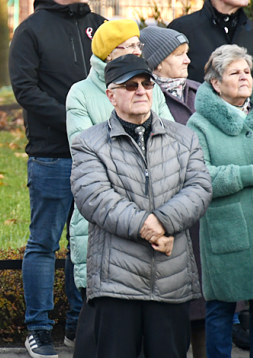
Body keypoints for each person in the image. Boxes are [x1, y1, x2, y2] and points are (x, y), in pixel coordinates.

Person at [71, 54, 212, 358]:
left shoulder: (184, 138)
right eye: (130, 85)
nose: (141, 91)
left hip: (171, 279)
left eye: (147, 84)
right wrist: (148, 229)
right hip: (116, 284)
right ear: (111, 95)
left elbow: (199, 189)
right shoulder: (89, 143)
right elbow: (94, 197)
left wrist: (160, 223)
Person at [9, 0, 102, 357]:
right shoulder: (30, 31)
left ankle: (79, 324)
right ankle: (38, 328)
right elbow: (25, 91)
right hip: (51, 155)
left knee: (88, 243)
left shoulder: (100, 28)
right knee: (44, 243)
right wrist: (74, 119)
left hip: (100, 154)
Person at [65, 19, 173, 357]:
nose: (137, 52)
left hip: (157, 213)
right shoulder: (81, 94)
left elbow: (173, 145)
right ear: (108, 54)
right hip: (105, 222)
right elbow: (85, 153)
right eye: (128, 47)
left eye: (138, 46)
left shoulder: (149, 88)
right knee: (102, 329)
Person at [187, 45, 253, 358]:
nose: (244, 78)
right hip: (228, 232)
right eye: (235, 72)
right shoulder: (199, 125)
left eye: (247, 72)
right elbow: (198, 178)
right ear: (215, 83)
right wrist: (246, 175)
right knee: (220, 312)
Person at [140, 25, 208, 356]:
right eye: (178, 55)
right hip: (167, 216)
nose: (187, 60)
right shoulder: (144, 98)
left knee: (208, 312)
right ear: (156, 62)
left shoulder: (202, 93)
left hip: (201, 213)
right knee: (177, 312)